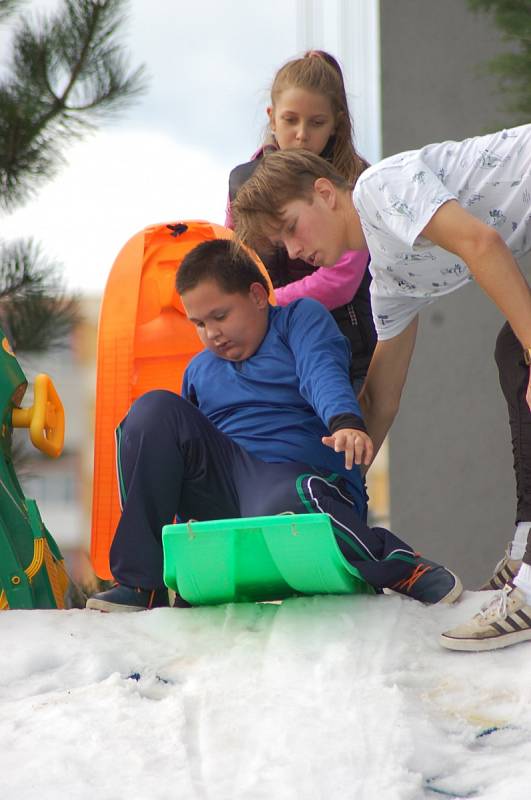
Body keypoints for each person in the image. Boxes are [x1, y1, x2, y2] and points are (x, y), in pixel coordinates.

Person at [230, 125, 531, 651]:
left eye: (293, 229)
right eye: (283, 245)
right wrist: (322, 500)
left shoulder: (378, 187)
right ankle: (526, 546)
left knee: (520, 350)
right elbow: (379, 400)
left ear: (325, 193)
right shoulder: (392, 277)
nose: (296, 251)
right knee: (514, 350)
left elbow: (481, 243)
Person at [87, 239, 462, 612]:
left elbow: (321, 370)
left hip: (295, 482)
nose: (211, 333)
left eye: (220, 316)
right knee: (153, 409)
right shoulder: (198, 369)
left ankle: (400, 566)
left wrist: (345, 421)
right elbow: (175, 455)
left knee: (279, 502)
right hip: (225, 492)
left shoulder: (298, 319)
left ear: (256, 295)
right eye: (199, 323)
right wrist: (192, 568)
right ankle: (141, 585)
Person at [225, 50, 376, 392]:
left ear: (336, 123)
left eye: (316, 122)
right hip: (269, 349)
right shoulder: (242, 182)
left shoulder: (355, 182)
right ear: (272, 118)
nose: (302, 134)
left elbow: (339, 281)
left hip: (343, 350)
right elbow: (232, 258)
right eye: (291, 120)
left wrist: (266, 303)